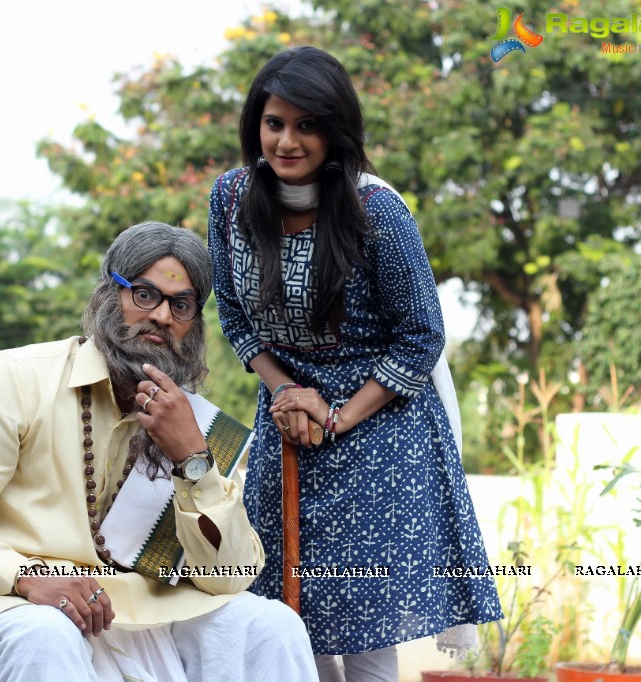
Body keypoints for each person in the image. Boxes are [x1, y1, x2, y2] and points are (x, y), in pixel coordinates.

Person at [0, 221, 318, 682]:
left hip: (142, 611)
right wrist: (24, 574)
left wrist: (193, 460)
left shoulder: (196, 425)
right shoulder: (14, 377)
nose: (162, 316)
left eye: (181, 305)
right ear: (107, 294)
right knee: (46, 635)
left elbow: (229, 577)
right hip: (8, 604)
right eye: (145, 294)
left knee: (271, 627)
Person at [207, 46, 503, 681]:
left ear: (336, 130)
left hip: (378, 430)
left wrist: (336, 416)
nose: (287, 141)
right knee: (289, 622)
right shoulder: (230, 198)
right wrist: (289, 396)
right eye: (274, 123)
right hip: (288, 427)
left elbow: (421, 337)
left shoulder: (377, 211)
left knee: (366, 632)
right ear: (256, 124)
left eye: (307, 125)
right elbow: (232, 313)